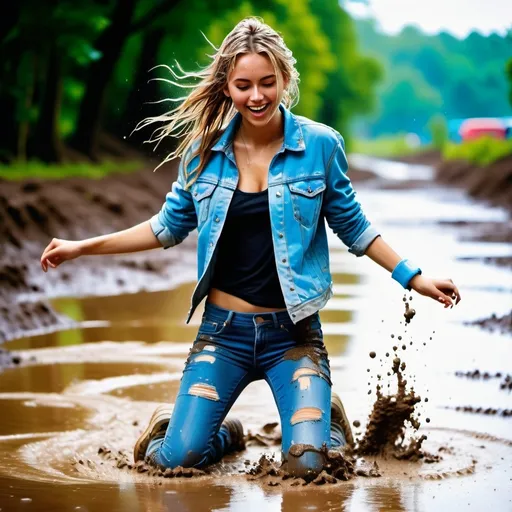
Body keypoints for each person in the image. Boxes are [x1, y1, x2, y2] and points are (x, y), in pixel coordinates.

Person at [40, 17, 461, 480]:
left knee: (309, 468)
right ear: (227, 86)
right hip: (223, 334)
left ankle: (328, 428)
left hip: (294, 337)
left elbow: (355, 228)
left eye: (267, 83)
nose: (256, 96)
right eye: (243, 85)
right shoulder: (202, 152)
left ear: (284, 78)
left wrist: (414, 277)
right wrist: (81, 248)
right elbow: (165, 228)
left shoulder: (320, 146)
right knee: (173, 460)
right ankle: (218, 434)